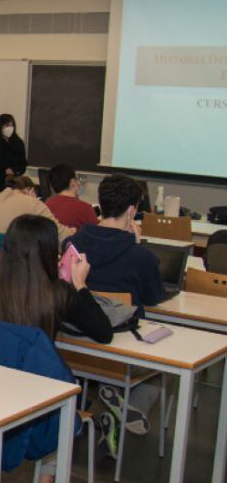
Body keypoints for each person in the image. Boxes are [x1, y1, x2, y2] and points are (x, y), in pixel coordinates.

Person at [0, 214, 113, 483]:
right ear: (52, 252)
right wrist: (79, 284)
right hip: (41, 392)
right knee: (64, 395)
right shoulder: (58, 293)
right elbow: (103, 332)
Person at [63, 174, 167, 441]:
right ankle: (109, 409)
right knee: (163, 371)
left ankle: (104, 406)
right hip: (122, 353)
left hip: (73, 346)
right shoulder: (140, 256)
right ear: (132, 211)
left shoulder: (71, 245)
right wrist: (138, 247)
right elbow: (154, 297)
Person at [0, 175, 73, 242]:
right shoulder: (33, 203)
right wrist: (73, 231)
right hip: (12, 262)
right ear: (31, 191)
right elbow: (60, 235)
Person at [45, 163, 99, 230]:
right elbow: (96, 234)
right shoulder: (85, 208)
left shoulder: (46, 205)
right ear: (72, 182)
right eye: (76, 179)